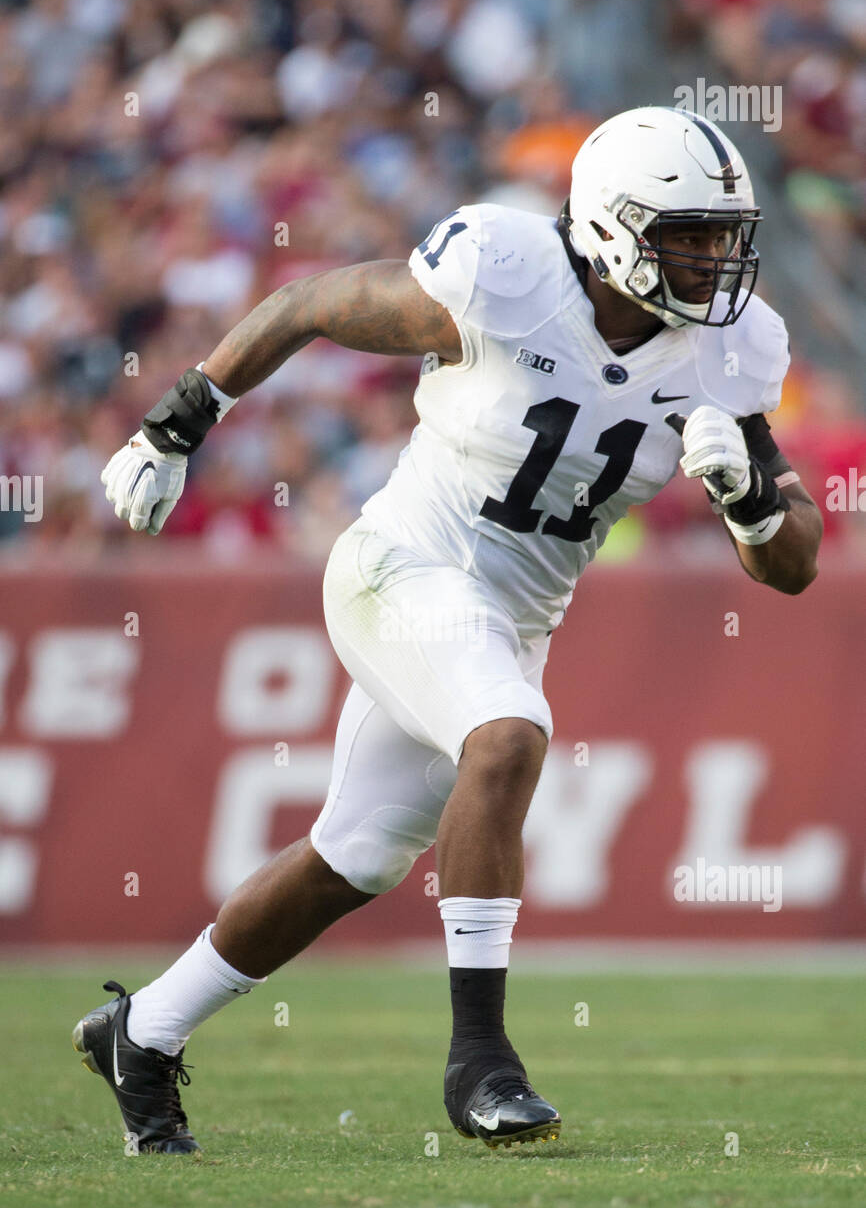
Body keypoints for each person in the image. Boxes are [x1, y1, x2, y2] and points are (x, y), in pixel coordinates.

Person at [72, 106, 822, 1154]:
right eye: (685, 234)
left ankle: (141, 1031)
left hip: (511, 617)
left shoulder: (726, 352)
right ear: (609, 227)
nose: (711, 259)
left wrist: (748, 502)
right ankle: (481, 1061)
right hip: (401, 566)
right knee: (507, 733)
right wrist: (178, 422)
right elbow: (309, 302)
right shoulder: (505, 273)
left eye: (719, 234)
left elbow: (792, 561)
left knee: (357, 852)